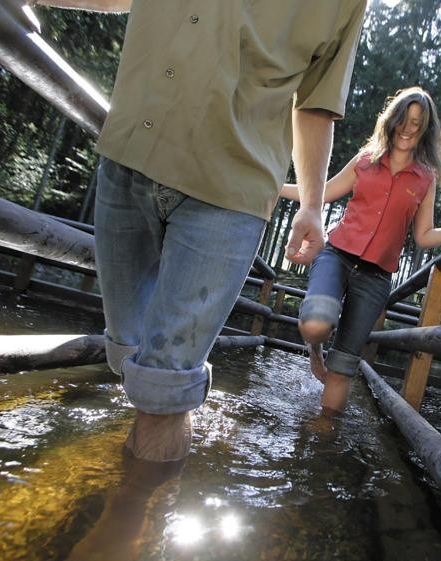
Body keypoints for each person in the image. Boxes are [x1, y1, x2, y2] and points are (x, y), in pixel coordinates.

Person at [33, 0, 368, 463]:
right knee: (126, 348)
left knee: (166, 380)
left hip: (231, 190)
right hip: (132, 152)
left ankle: (131, 520)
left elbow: (315, 103)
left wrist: (312, 205)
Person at [280, 87, 441, 417]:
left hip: (376, 278)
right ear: (393, 120)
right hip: (336, 256)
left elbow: (424, 236)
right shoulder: (366, 160)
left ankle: (323, 438)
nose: (409, 128)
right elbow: (320, 194)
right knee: (315, 325)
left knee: (342, 368)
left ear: (425, 130)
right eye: (405, 119)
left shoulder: (425, 179)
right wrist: (273, 188)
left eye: (418, 123)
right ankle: (314, 349)